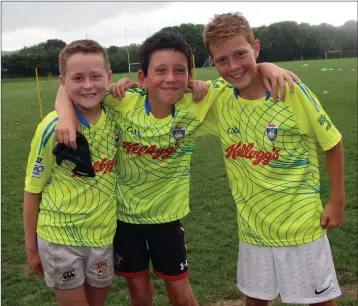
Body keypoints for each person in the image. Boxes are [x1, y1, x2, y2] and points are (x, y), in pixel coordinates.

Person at [54, 31, 299, 306]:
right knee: (139, 291)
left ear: (190, 76)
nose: (170, 78)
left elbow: (244, 72)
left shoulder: (197, 101)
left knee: (181, 292)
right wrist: (65, 114)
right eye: (160, 70)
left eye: (179, 71)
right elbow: (70, 88)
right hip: (124, 218)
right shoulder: (121, 99)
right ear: (143, 77)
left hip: (168, 219)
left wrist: (268, 66)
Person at [200, 12, 345, 306]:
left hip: (300, 225)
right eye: (222, 60)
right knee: (255, 299)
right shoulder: (219, 98)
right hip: (252, 228)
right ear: (213, 62)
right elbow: (169, 92)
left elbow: (332, 142)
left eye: (240, 54)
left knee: (319, 301)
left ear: (256, 47)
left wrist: (337, 201)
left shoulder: (290, 91)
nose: (233, 66)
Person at [23, 39, 118, 306]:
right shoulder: (50, 127)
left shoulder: (118, 117)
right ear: (63, 82)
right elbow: (32, 190)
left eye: (96, 76)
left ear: (108, 77)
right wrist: (31, 247)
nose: (88, 85)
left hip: (103, 236)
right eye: (78, 78)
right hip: (59, 239)